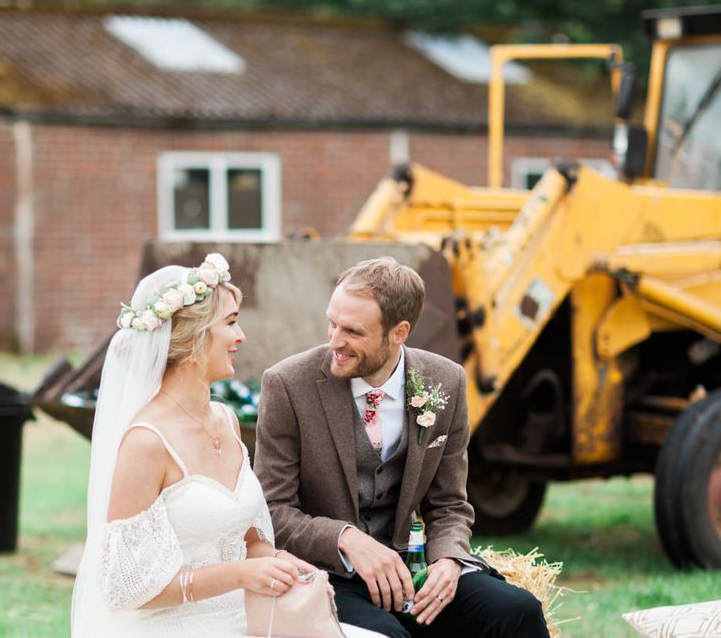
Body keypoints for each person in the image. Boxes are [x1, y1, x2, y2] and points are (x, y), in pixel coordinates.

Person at [71, 253, 380, 638]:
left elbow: (251, 542)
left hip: (244, 620)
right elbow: (125, 588)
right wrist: (240, 574)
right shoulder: (146, 442)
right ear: (193, 336)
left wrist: (284, 564)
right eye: (231, 323)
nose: (241, 336)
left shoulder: (227, 420)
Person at [254, 257, 550, 638]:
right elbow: (272, 511)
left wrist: (448, 559)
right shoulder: (287, 385)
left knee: (517, 611)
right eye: (332, 323)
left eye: (353, 331)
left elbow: (449, 505)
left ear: (399, 333)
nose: (334, 342)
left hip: (412, 570)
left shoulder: (446, 381)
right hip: (326, 574)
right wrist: (347, 539)